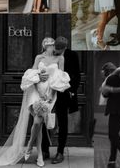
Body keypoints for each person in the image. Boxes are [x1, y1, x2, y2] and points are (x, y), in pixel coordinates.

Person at [0, 38, 70, 167]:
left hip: (49, 94)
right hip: (36, 92)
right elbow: (30, 75)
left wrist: (51, 96)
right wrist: (38, 78)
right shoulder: (39, 57)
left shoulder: (60, 59)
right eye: (48, 45)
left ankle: (35, 151)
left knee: (39, 123)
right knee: (38, 121)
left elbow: (59, 80)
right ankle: (31, 149)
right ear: (44, 46)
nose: (50, 47)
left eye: (52, 44)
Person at [42, 36, 81, 164]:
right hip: (48, 93)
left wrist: (71, 91)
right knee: (44, 121)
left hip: (63, 93)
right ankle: (45, 150)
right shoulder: (49, 53)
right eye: (55, 48)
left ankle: (60, 152)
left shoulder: (72, 55)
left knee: (62, 123)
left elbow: (77, 75)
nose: (56, 51)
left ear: (65, 47)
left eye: (59, 49)